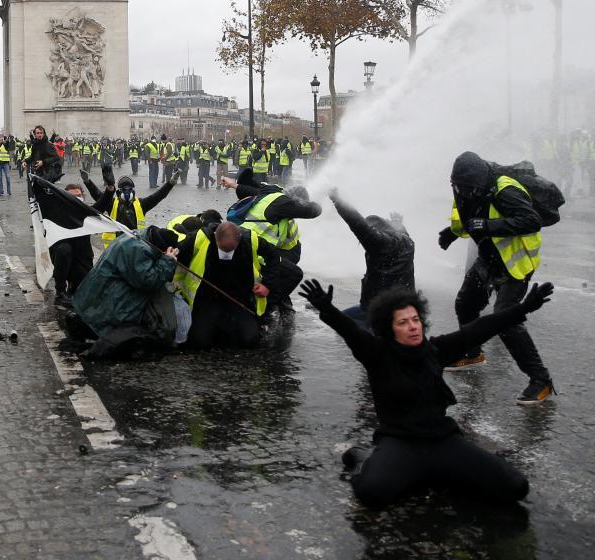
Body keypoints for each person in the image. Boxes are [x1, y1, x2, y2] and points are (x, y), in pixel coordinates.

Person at [299, 278, 551, 509]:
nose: (412, 327)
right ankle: (365, 457)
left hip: (443, 441)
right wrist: (328, 309)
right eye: (403, 322)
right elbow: (351, 331)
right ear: (389, 329)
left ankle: (435, 471)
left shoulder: (436, 349)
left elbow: (480, 328)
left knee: (516, 487)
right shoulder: (376, 353)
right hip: (400, 443)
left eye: (415, 320)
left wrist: (524, 307)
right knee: (371, 493)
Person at [439, 151, 554, 403]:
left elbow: (531, 220)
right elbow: (468, 219)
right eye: (459, 187)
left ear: (479, 181)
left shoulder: (504, 189)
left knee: (506, 319)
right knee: (466, 303)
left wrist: (488, 227)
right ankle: (472, 354)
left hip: (516, 262)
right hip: (489, 258)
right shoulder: (466, 188)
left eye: (469, 188)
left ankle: (541, 380)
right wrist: (451, 233)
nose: (464, 192)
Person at [70, 226, 181, 356]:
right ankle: (95, 333)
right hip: (102, 308)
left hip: (94, 298)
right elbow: (148, 281)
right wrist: (168, 260)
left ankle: (84, 326)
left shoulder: (138, 237)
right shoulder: (137, 250)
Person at [223, 169, 320, 314]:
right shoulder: (284, 206)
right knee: (293, 274)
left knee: (281, 273)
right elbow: (312, 212)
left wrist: (234, 185)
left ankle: (281, 306)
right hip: (256, 250)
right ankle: (264, 309)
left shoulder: (268, 195)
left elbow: (252, 188)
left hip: (245, 244)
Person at [175, 219, 280, 349]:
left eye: (230, 250)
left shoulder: (250, 239)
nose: (226, 254)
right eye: (223, 249)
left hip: (239, 299)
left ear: (239, 238)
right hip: (207, 299)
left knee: (250, 340)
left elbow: (274, 256)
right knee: (198, 342)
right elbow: (177, 253)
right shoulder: (200, 237)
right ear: (215, 237)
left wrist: (267, 284)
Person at [328, 189, 415, 321]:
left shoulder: (380, 245)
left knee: (340, 321)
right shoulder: (407, 242)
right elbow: (402, 233)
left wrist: (338, 200)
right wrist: (398, 223)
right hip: (407, 305)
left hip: (381, 309)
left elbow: (356, 222)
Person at [82, 169, 176, 249]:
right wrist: (87, 182)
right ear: (119, 192)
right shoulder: (111, 203)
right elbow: (98, 195)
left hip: (136, 246)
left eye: (129, 189)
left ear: (132, 191)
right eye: (124, 190)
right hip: (116, 248)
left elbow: (158, 196)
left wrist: (170, 183)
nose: (127, 192)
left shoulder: (141, 204)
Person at [49, 183, 95, 308]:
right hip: (63, 258)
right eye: (72, 196)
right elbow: (42, 201)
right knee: (65, 249)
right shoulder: (58, 212)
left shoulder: (86, 212)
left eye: (79, 195)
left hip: (82, 260)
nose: (77, 198)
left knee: (89, 293)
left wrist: (110, 188)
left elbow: (102, 205)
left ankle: (73, 285)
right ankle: (60, 292)